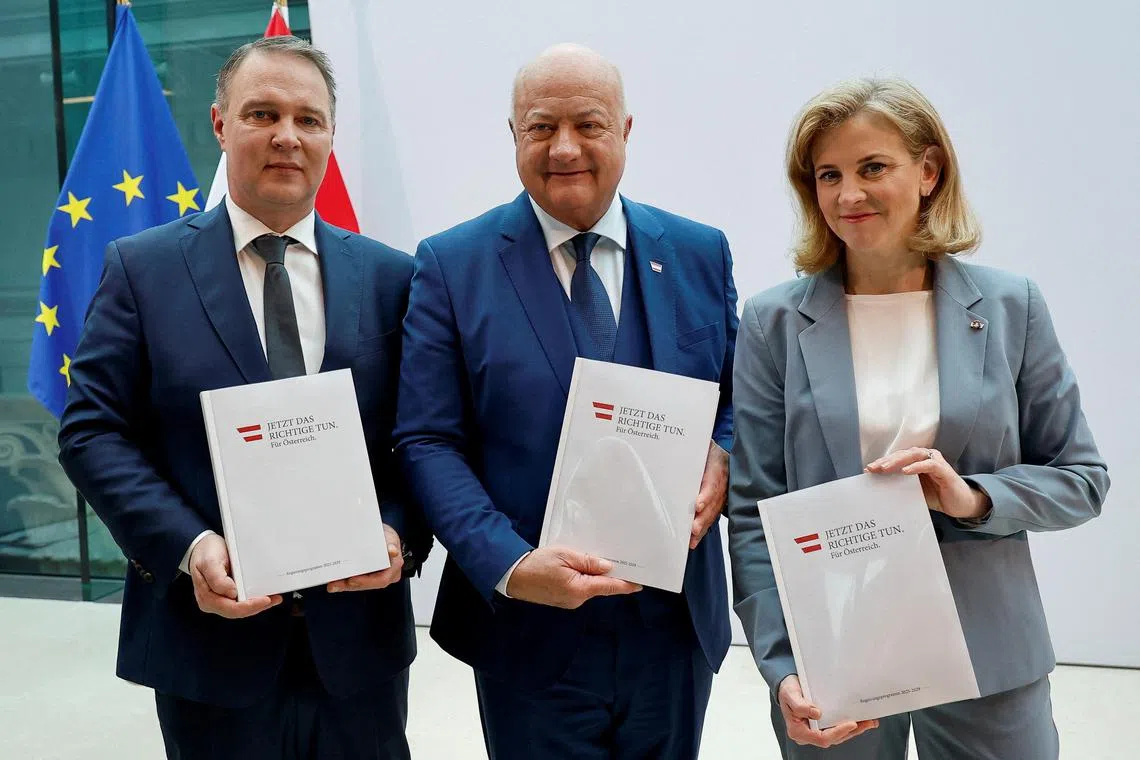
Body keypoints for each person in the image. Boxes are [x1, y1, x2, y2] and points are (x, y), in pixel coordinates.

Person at [57, 36, 427, 759]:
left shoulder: (392, 278)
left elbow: (421, 436)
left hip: (357, 648)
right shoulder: (143, 270)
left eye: (308, 119)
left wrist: (398, 534)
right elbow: (92, 431)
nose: (288, 135)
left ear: (330, 135)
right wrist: (189, 547)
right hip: (208, 646)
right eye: (263, 114)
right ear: (221, 124)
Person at [727, 77, 1110, 759]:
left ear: (929, 170)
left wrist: (974, 497)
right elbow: (755, 512)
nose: (849, 194)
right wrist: (783, 666)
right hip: (835, 658)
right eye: (828, 175)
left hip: (988, 650)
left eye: (873, 167)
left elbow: (1081, 479)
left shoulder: (1012, 306)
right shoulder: (771, 323)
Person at [394, 44, 738, 759]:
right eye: (541, 127)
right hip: (528, 627)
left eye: (588, 124)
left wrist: (725, 454)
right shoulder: (452, 265)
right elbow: (427, 440)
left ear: (626, 130)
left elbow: (737, 398)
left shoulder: (700, 252)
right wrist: (510, 565)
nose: (565, 148)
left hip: (672, 627)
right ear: (513, 134)